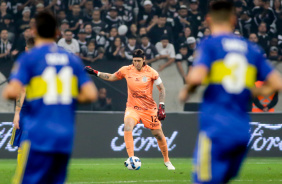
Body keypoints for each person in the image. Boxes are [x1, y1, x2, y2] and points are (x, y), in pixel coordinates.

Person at [179, 1, 282, 183]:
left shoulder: (210, 44)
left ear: (208, 20)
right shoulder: (252, 49)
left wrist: (187, 91)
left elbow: (195, 77)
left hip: (216, 128)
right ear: (234, 20)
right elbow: (277, 83)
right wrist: (250, 91)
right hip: (242, 131)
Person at [3, 11, 97, 184]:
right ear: (57, 33)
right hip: (64, 135)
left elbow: (10, 92)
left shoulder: (30, 58)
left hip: (38, 132)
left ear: (34, 31)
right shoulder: (72, 59)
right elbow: (91, 94)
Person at [85, 49, 175, 170]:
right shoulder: (126, 70)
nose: (136, 63)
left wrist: (162, 106)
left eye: (138, 61)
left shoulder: (152, 72)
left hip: (149, 109)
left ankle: (167, 160)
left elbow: (162, 89)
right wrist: (95, 72)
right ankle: (131, 158)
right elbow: (111, 77)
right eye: (134, 61)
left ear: (144, 60)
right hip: (133, 107)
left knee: (158, 134)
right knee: (127, 126)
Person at [9, 37, 34, 170]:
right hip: (38, 108)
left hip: (26, 109)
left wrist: (17, 113)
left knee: (23, 145)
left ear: (26, 48)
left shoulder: (23, 64)